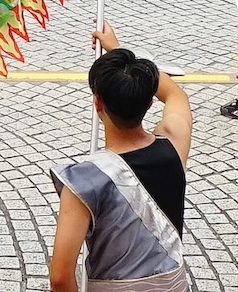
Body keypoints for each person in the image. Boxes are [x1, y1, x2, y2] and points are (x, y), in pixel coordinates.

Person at [47, 26, 193, 292]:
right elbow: (174, 93)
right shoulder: (174, 142)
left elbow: (60, 277)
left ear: (97, 104)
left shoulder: (83, 180)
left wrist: (119, 65)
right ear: (149, 103)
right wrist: (124, 56)